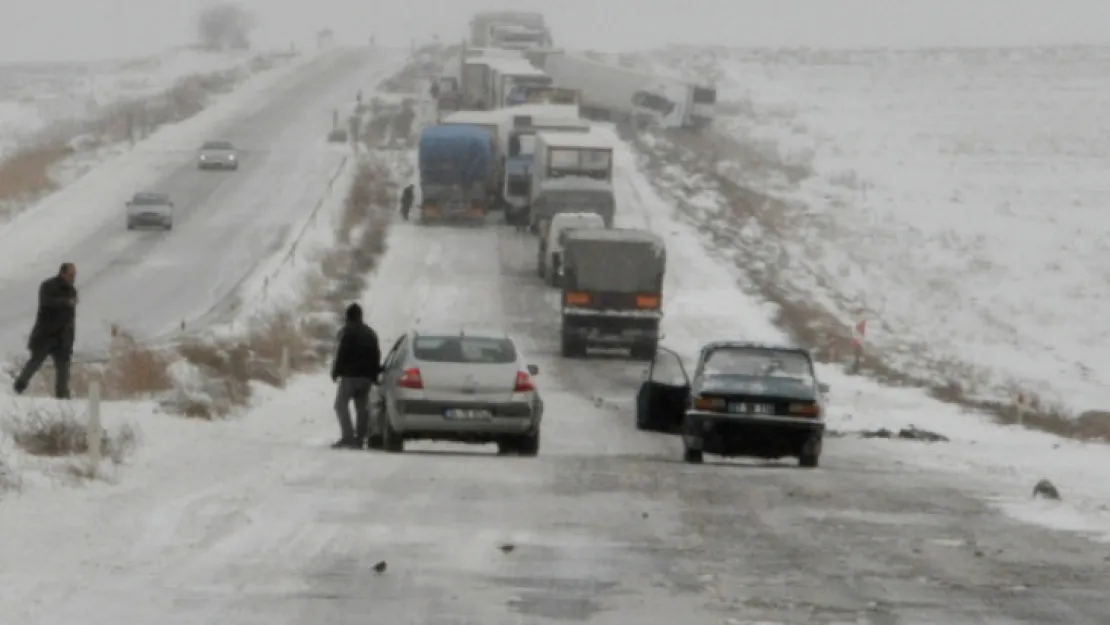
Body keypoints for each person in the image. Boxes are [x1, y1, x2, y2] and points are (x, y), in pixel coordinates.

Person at [14, 262, 78, 398]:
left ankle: (62, 395)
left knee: (63, 368)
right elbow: (46, 302)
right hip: (46, 334)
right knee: (35, 362)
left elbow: (71, 318)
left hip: (63, 337)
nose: (73, 278)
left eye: (74, 275)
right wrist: (65, 302)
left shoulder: (71, 290)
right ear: (62, 273)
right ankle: (18, 387)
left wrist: (71, 337)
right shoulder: (48, 286)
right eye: (71, 274)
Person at [330, 303, 381, 449]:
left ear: (348, 317)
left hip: (349, 376)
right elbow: (376, 354)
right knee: (362, 407)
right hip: (366, 377)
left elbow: (341, 353)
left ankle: (348, 437)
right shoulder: (370, 333)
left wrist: (336, 371)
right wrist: (375, 374)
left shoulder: (346, 332)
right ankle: (360, 438)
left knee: (340, 405)